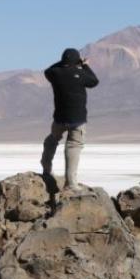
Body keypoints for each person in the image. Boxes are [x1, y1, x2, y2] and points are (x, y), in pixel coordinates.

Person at [40, 48, 99, 190]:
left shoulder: (56, 73)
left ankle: (46, 168)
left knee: (53, 139)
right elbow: (94, 81)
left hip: (59, 118)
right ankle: (71, 183)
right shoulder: (80, 73)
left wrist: (62, 63)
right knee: (73, 146)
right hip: (77, 119)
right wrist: (84, 65)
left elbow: (47, 70)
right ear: (76, 60)